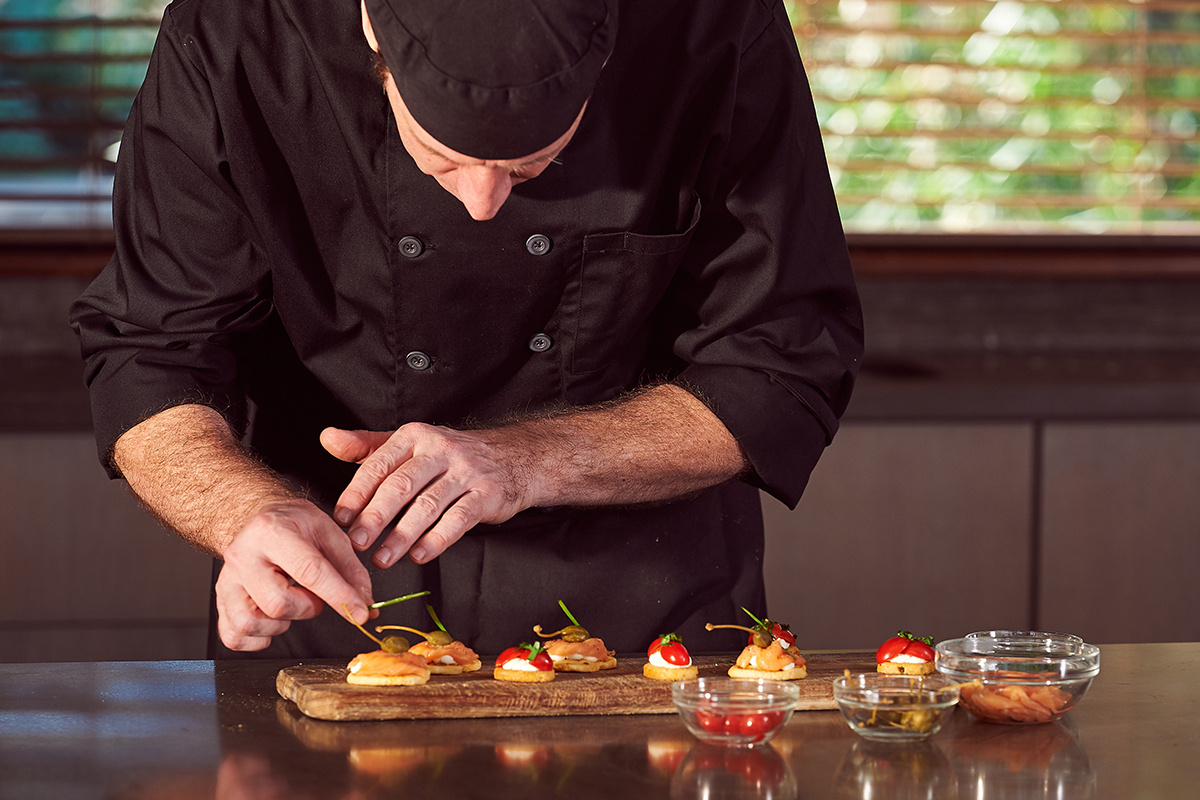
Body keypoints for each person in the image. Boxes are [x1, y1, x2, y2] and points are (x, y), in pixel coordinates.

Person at [70, 0, 863, 658]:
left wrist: (526, 463)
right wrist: (240, 511)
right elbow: (151, 351)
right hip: (334, 589)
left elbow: (780, 365)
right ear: (373, 35)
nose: (483, 202)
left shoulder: (716, 25)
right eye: (443, 159)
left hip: (645, 612)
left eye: (529, 167)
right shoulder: (236, 33)